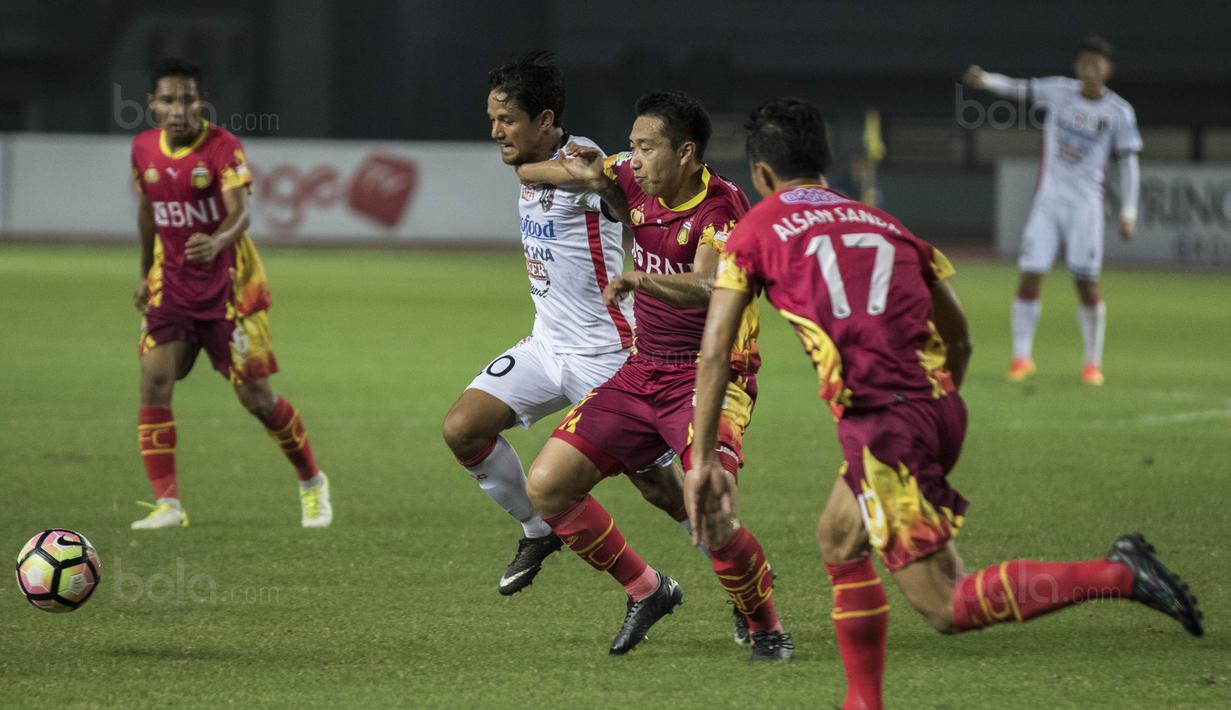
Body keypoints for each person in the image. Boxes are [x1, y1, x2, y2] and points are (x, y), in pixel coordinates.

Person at [690, 97, 1201, 708]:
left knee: (947, 603)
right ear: (825, 163)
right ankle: (863, 701)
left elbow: (717, 351)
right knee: (838, 535)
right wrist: (931, 404)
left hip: (884, 426)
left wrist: (701, 462)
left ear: (763, 175)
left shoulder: (754, 229)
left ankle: (1118, 574)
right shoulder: (886, 223)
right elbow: (959, 335)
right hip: (935, 405)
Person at [522, 90, 792, 660]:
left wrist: (640, 281)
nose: (634, 158)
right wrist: (589, 177)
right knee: (548, 486)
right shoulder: (632, 178)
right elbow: (534, 167)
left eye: (647, 147)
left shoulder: (721, 208)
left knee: (711, 510)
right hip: (643, 371)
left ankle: (765, 624)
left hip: (710, 378)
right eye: (632, 147)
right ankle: (647, 588)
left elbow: (708, 288)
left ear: (687, 153)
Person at [441, 51, 688, 597]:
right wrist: (534, 167)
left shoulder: (587, 159)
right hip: (546, 345)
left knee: (663, 490)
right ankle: (537, 528)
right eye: (493, 119)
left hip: (606, 354)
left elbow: (623, 205)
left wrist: (601, 187)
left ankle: (742, 584)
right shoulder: (537, 162)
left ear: (545, 120)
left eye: (507, 120)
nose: (495, 132)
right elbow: (531, 170)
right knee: (463, 428)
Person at [130, 58, 331, 529]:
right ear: (152, 104)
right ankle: (168, 505)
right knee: (155, 379)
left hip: (229, 291)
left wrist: (217, 241)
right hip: (171, 286)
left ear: (202, 102)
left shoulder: (223, 147)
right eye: (168, 100)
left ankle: (311, 481)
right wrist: (144, 273)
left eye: (188, 99)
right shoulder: (143, 149)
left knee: (257, 399)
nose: (179, 109)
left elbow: (240, 214)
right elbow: (147, 213)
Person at [964, 35, 1142, 385]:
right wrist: (985, 80)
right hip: (1047, 202)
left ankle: (1092, 363)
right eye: (1085, 63)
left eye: (1098, 64)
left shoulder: (1119, 112)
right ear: (1077, 67)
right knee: (1030, 275)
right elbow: (1018, 88)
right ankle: (1021, 358)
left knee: (1086, 283)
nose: (1091, 70)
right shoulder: (1059, 91)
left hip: (1086, 207)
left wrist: (1129, 211)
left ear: (1108, 70)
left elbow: (1128, 163)